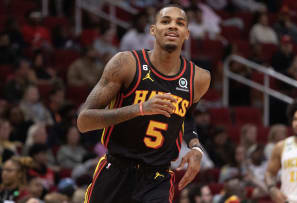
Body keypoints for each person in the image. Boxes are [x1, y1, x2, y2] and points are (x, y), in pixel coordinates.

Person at [77, 5, 210, 203]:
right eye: (165, 21)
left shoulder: (199, 78)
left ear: (187, 34)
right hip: (117, 170)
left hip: (157, 179)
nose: (173, 26)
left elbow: (186, 116)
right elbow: (84, 121)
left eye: (180, 23)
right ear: (153, 30)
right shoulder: (126, 64)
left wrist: (196, 147)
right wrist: (140, 109)